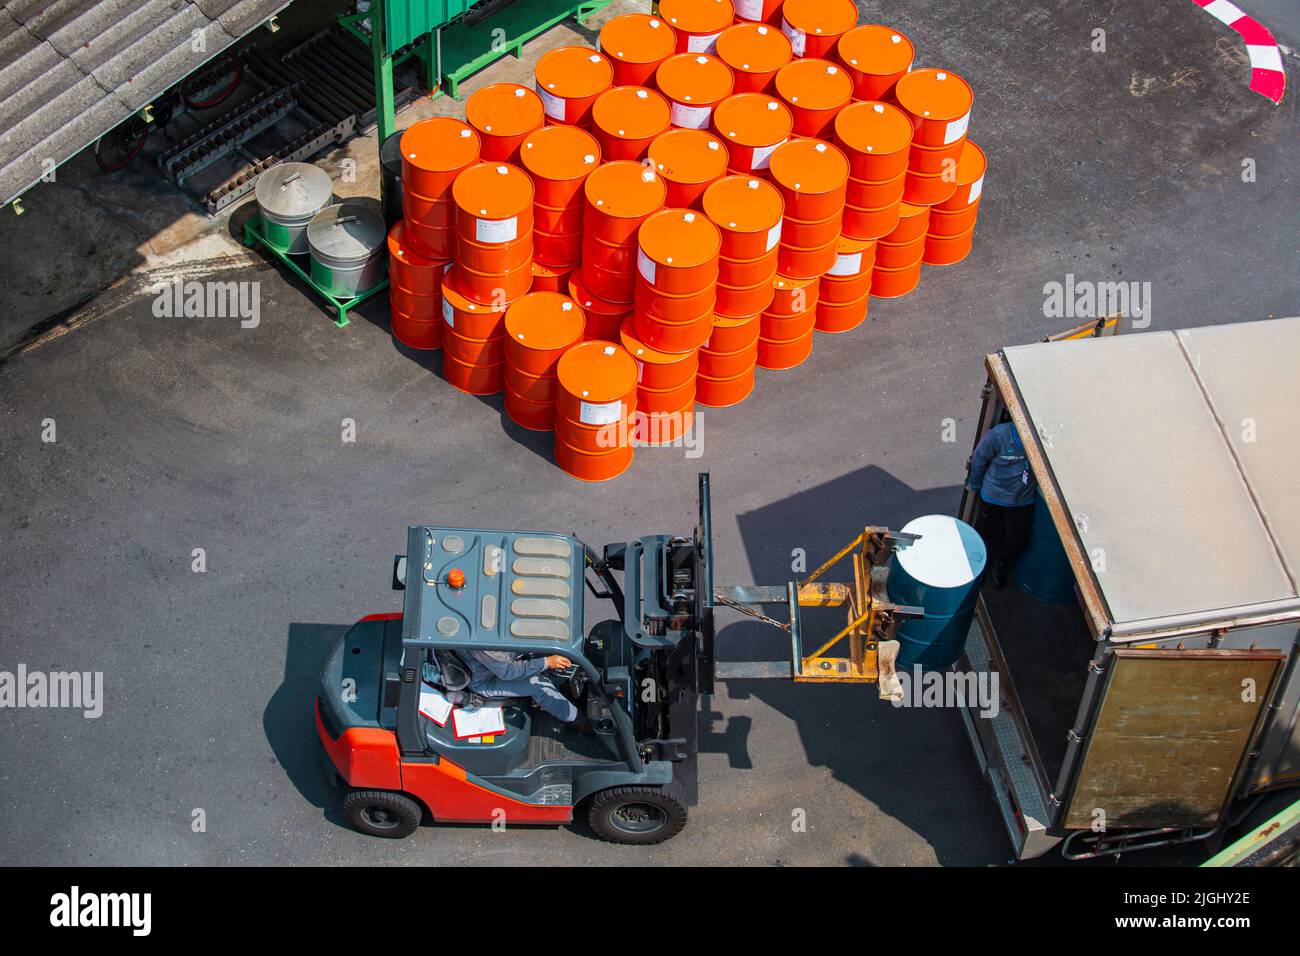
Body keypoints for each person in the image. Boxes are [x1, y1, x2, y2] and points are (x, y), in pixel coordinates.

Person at [966, 415, 1037, 589]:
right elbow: (978, 459)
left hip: (1022, 500)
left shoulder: (1039, 442)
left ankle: (1000, 562)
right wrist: (974, 484)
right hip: (994, 497)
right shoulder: (998, 436)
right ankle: (980, 568)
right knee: (986, 535)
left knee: (1017, 538)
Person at [461, 649, 588, 731]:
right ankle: (578, 720)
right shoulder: (480, 645)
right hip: (486, 680)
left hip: (498, 661)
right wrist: (546, 662)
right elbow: (508, 671)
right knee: (538, 685)